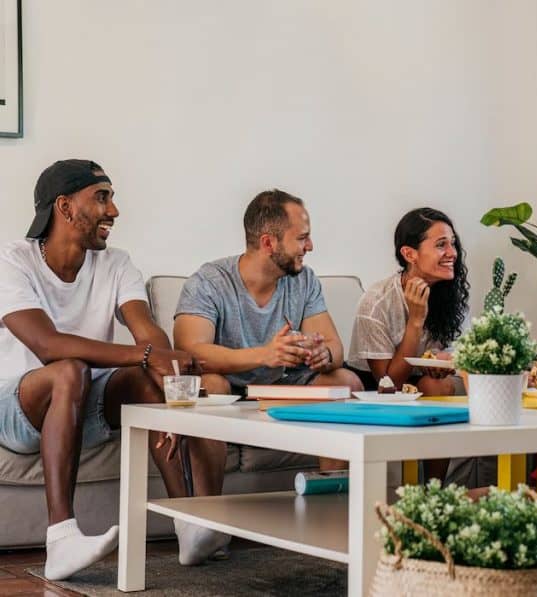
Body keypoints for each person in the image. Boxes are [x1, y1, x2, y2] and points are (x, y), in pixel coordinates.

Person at [0, 160, 226, 580]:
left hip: (83, 404)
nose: (114, 211)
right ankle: (61, 539)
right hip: (18, 406)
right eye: (101, 197)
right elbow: (47, 345)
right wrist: (143, 356)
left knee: (142, 380)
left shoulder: (116, 263)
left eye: (112, 198)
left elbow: (147, 333)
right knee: (70, 369)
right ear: (65, 207)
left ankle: (188, 524)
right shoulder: (12, 260)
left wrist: (168, 389)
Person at [174, 189, 363, 470]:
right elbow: (191, 353)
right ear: (268, 243)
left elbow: (335, 347)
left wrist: (322, 354)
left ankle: (332, 498)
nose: (310, 246)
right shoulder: (208, 282)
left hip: (279, 390)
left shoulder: (304, 280)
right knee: (212, 385)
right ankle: (199, 508)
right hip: (230, 391)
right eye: (301, 238)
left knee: (345, 382)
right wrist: (265, 355)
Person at [345, 207, 471, 483]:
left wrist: (447, 358)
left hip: (427, 383)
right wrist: (415, 320)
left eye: (453, 243)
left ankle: (433, 491)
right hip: (376, 387)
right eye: (441, 245)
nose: (452, 253)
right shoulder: (376, 301)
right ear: (409, 254)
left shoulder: (452, 295)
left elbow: (465, 351)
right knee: (426, 386)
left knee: (436, 385)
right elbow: (388, 382)